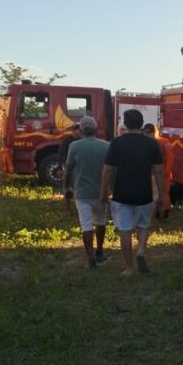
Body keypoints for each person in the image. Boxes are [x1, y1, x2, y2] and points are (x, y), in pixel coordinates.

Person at [100, 108, 164, 277]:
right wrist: (162, 196)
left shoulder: (117, 143)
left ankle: (129, 268)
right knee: (143, 226)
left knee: (125, 231)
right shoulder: (152, 144)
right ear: (142, 123)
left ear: (126, 124)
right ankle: (141, 250)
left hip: (122, 194)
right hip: (144, 194)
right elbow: (158, 171)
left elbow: (108, 170)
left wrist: (104, 193)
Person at [63, 116, 110, 270]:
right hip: (101, 191)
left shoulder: (74, 146)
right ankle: (100, 251)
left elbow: (68, 170)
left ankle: (90, 259)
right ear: (96, 129)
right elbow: (111, 170)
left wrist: (66, 189)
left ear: (81, 130)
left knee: (86, 224)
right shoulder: (106, 145)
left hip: (82, 191)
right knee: (101, 221)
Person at [143, 123, 173, 218]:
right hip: (151, 174)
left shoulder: (164, 142)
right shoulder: (146, 143)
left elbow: (170, 158)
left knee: (163, 193)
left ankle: (164, 213)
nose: (147, 135)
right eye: (145, 132)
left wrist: (166, 171)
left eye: (149, 132)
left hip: (163, 173)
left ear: (154, 132)